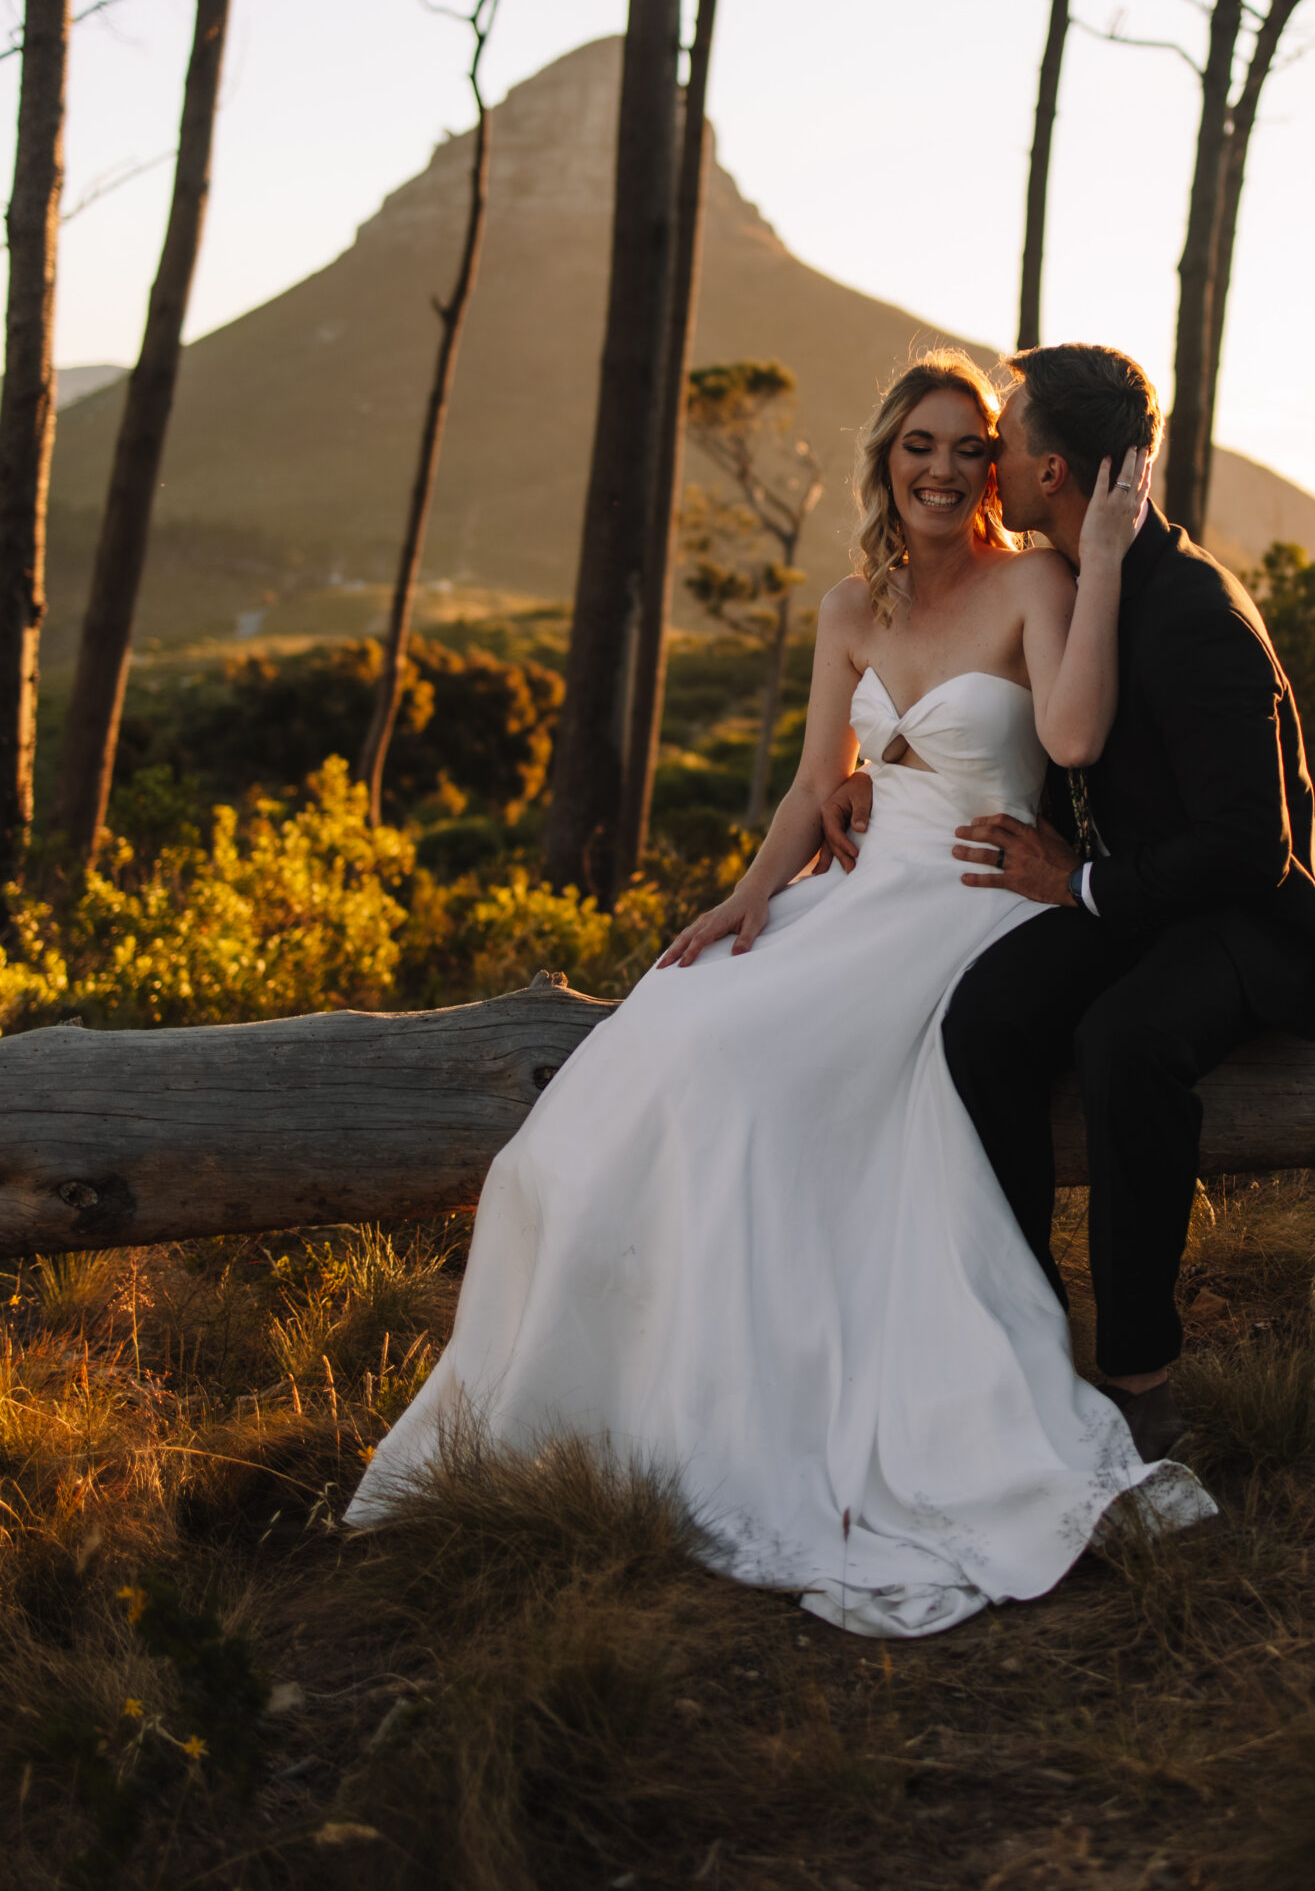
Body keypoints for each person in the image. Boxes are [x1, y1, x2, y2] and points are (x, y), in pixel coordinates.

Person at [346, 350, 1215, 1636]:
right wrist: (748, 895)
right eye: (917, 445)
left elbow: (1076, 739)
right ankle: (621, 1404)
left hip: (973, 896)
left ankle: (792, 1396)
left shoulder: (1038, 579)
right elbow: (821, 788)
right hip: (854, 897)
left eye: (966, 447)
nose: (941, 467)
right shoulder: (848, 609)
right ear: (885, 461)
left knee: (751, 1078)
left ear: (995, 466)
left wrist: (1098, 546)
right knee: (673, 1039)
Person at [822, 344, 1315, 1465]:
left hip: (1238, 922)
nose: (988, 465)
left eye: (1005, 443)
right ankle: (1022, 1325)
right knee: (987, 1017)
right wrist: (879, 769)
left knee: (1124, 1042)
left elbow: (1249, 850)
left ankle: (1138, 1372)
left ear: (1056, 472)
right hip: (1126, 896)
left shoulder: (1191, 612)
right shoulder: (1082, 576)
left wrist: (1075, 882)